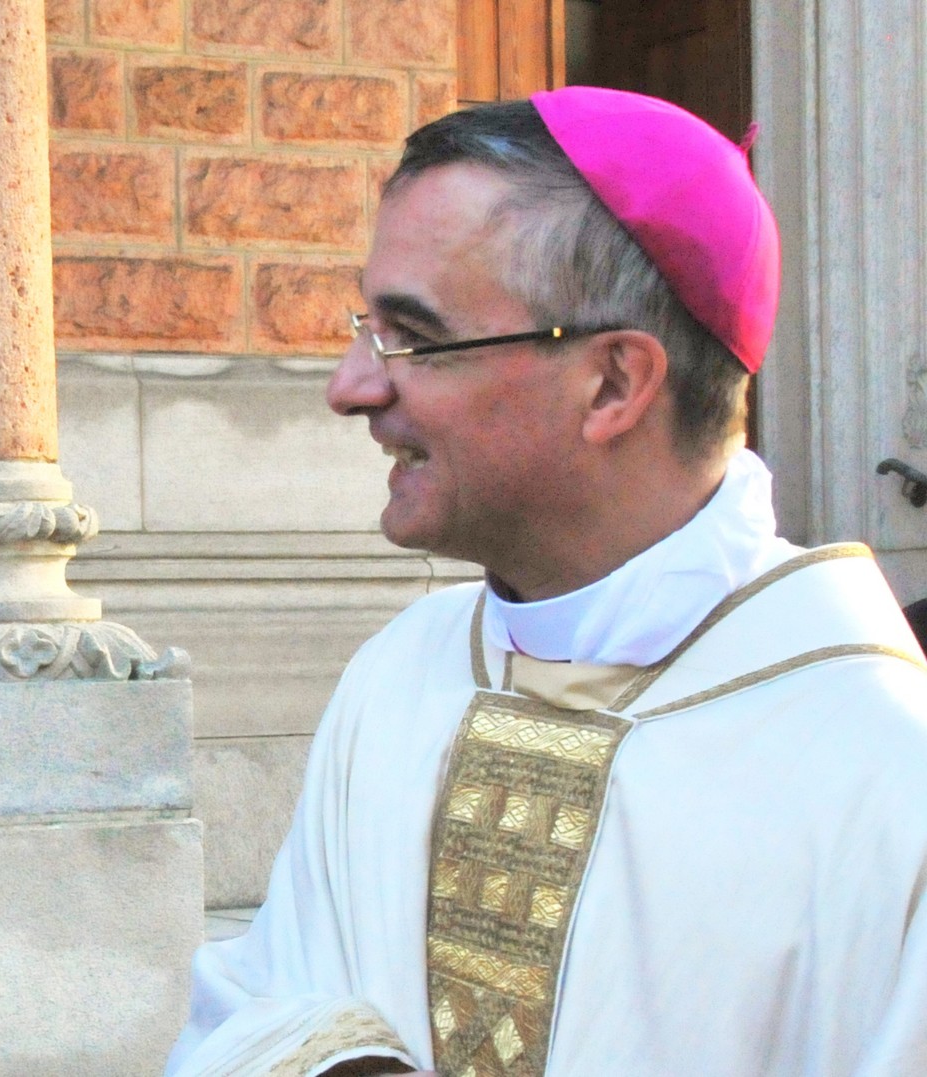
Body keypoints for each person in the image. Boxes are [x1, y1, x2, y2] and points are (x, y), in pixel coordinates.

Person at [165, 87, 927, 1077]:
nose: (350, 386)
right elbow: (264, 1002)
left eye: (413, 336)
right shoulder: (402, 673)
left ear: (612, 384)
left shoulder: (882, 774)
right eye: (365, 326)